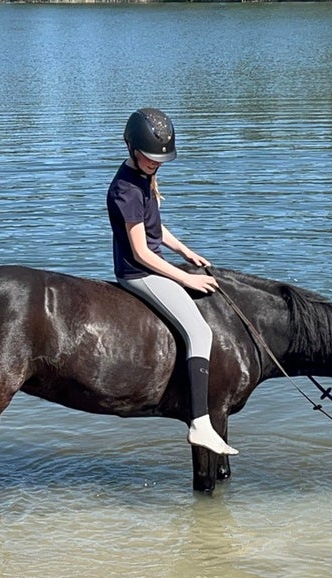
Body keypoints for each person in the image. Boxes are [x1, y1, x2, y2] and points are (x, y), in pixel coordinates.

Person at [105, 108, 238, 456]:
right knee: (201, 332)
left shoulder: (142, 178)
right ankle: (200, 424)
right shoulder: (125, 190)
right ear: (133, 149)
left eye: (160, 159)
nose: (156, 164)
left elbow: (153, 229)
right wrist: (183, 278)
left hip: (152, 263)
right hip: (138, 272)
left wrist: (186, 251)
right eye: (150, 158)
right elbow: (141, 251)